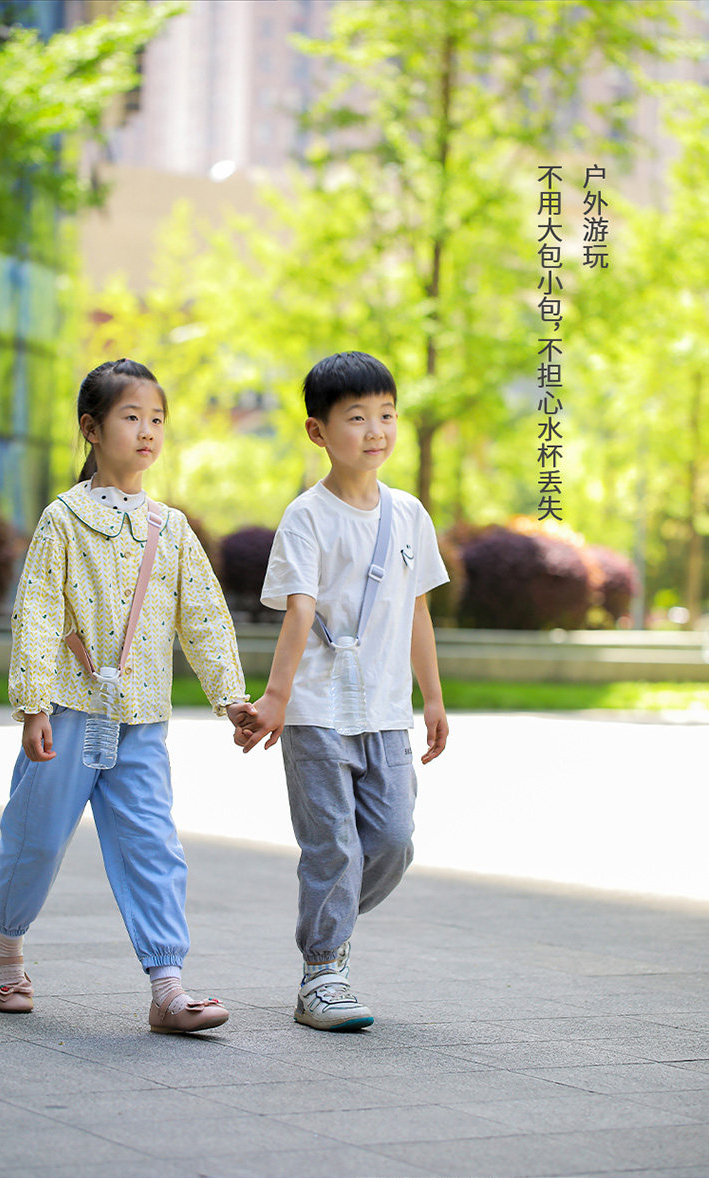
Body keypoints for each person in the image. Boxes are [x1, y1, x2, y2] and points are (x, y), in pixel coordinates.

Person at [0, 358, 250, 1035]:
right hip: (68, 713)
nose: (147, 431)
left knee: (152, 843)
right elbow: (38, 612)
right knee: (36, 837)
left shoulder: (171, 527)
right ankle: (7, 946)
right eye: (131, 417)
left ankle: (167, 988)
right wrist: (33, 704)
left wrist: (232, 699)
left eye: (157, 419)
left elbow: (204, 617)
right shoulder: (63, 520)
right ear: (92, 428)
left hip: (141, 722)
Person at [236, 351, 449, 1031]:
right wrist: (276, 697)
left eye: (386, 414)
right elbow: (299, 611)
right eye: (356, 417)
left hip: (386, 713)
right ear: (318, 431)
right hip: (316, 712)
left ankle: (329, 922)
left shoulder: (409, 514)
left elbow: (417, 611)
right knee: (333, 846)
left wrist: (433, 698)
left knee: (393, 840)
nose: (376, 430)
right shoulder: (307, 516)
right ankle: (322, 973)